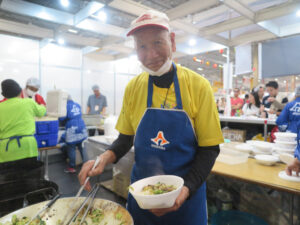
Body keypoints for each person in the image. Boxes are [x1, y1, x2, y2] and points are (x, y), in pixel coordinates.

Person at [78, 10, 223, 225]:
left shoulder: (197, 86)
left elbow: (209, 149)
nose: (151, 55)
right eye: (142, 47)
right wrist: (102, 159)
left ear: (172, 42)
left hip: (186, 198)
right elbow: (125, 139)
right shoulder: (134, 87)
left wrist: (185, 190)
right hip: (142, 196)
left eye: (157, 42)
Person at [0, 79, 46, 165]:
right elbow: (42, 112)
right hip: (27, 146)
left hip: (6, 148)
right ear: (20, 91)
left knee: (9, 176)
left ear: (4, 95)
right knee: (30, 175)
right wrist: (43, 106)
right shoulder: (29, 102)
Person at [59, 95, 88, 173]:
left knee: (71, 148)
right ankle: (87, 165)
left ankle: (71, 167)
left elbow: (62, 118)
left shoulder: (65, 107)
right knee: (82, 147)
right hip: (81, 127)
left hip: (72, 128)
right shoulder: (77, 104)